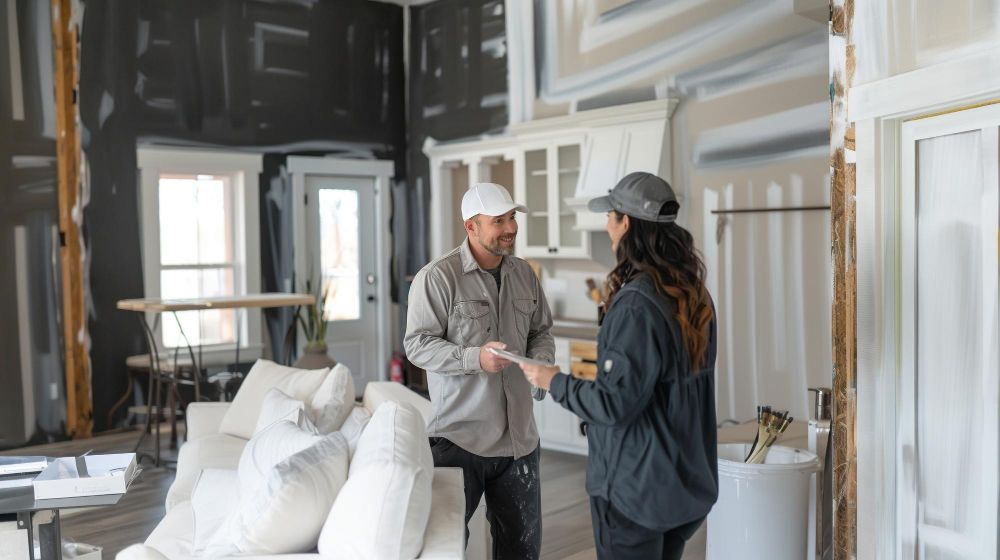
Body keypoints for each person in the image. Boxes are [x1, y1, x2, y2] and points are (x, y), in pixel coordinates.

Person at [520, 172, 719, 560]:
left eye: (610, 217)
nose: (607, 228)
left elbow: (614, 404)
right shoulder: (695, 295)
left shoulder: (636, 305)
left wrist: (554, 380)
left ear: (626, 222)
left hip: (636, 491)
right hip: (685, 485)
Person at [404, 182, 555, 559]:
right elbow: (417, 344)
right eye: (499, 220)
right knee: (447, 547)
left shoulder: (524, 274)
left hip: (520, 440)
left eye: (512, 217)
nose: (511, 227)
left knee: (522, 551)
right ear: (471, 226)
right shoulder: (438, 277)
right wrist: (475, 358)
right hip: (458, 439)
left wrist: (540, 365)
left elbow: (541, 331)